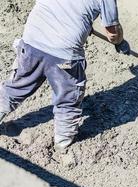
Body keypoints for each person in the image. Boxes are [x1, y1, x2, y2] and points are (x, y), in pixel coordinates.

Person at [0, 0, 130, 151]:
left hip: (31, 40)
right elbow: (112, 32)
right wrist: (119, 41)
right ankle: (63, 143)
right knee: (67, 97)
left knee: (15, 87)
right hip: (64, 54)